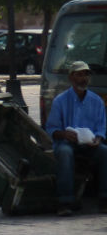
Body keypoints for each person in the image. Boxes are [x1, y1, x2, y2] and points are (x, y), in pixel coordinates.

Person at [44, 60, 107, 216]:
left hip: (89, 145)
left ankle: (104, 198)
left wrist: (98, 139)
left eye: (86, 75)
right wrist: (65, 134)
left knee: (105, 152)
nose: (83, 78)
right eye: (79, 75)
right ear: (72, 78)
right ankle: (65, 201)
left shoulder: (96, 101)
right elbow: (52, 128)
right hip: (67, 143)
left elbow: (101, 127)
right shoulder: (60, 101)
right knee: (65, 153)